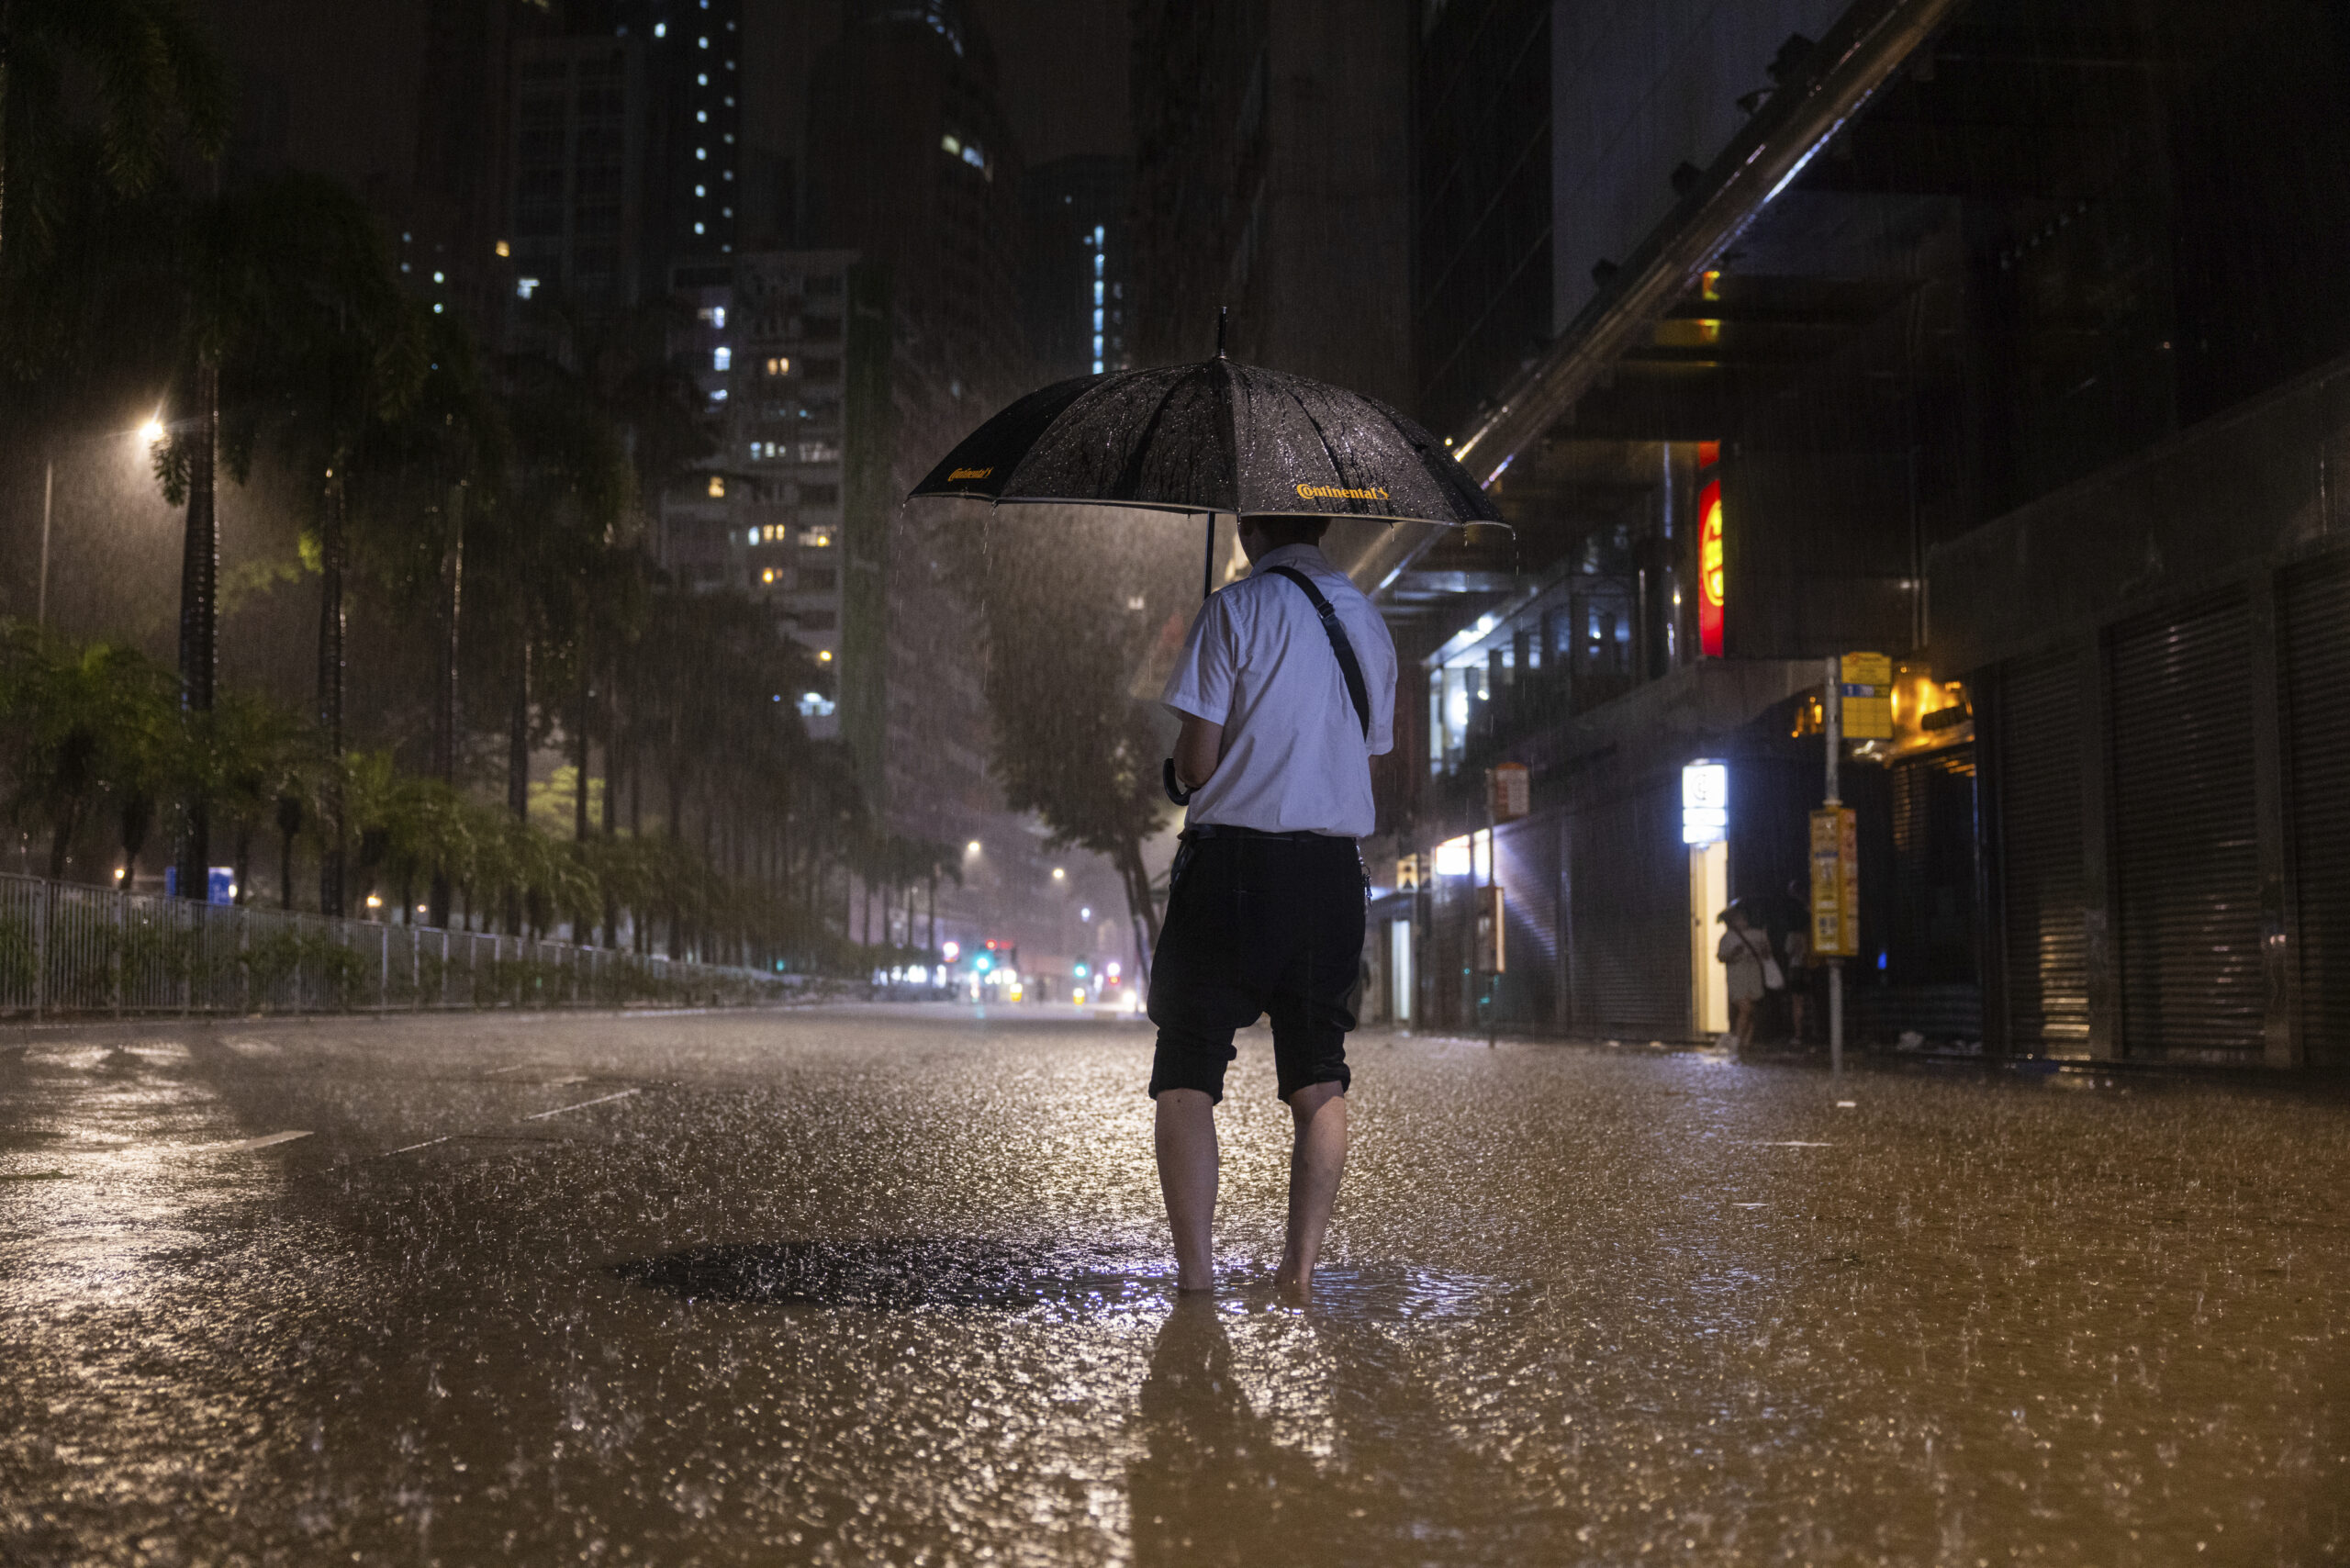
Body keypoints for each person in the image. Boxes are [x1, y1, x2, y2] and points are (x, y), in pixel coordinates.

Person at [1149, 512, 1397, 1296]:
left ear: (1249, 524)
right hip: (1329, 875)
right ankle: (1298, 1272)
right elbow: (1362, 750)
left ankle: (1196, 1281)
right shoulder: (1367, 619)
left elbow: (1197, 763)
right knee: (1319, 1078)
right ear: (1321, 520)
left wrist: (1181, 771)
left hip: (1228, 869)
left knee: (1187, 1071)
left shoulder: (1231, 610)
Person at [1717, 902, 1775, 1051]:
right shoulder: (1727, 938)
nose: (1742, 922)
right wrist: (1733, 953)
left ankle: (1745, 1043)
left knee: (1751, 1011)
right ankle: (1736, 1041)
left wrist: (1764, 947)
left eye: (1743, 919)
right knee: (1745, 1008)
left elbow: (1766, 954)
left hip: (1753, 976)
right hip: (1737, 977)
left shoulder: (1758, 934)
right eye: (1738, 919)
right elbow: (1721, 957)